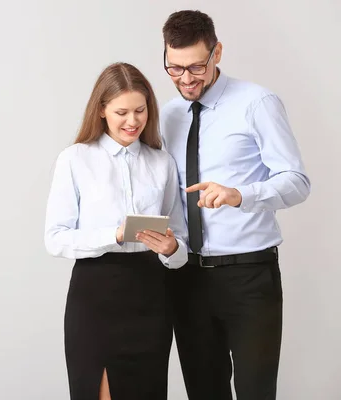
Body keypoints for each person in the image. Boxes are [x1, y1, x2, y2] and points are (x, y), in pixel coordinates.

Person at [159, 10, 311, 400]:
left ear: (217, 53)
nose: (186, 79)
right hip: (187, 278)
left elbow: (297, 182)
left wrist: (241, 195)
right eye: (174, 68)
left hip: (248, 275)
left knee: (255, 391)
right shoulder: (168, 114)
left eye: (196, 66)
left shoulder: (257, 103)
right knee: (204, 391)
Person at [44, 62, 188, 400]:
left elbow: (180, 243)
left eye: (140, 110)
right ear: (102, 111)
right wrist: (115, 235)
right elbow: (55, 238)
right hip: (96, 296)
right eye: (122, 112)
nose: (133, 121)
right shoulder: (75, 159)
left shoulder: (161, 162)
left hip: (151, 295)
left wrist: (170, 249)